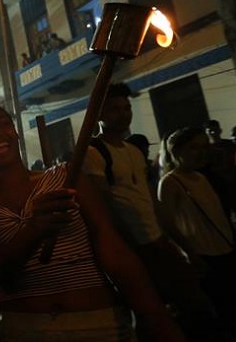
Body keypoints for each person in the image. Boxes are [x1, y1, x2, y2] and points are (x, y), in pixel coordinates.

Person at [0, 102, 185, 342]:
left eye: (3, 124)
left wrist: (153, 315)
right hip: (24, 329)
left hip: (98, 323)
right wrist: (33, 229)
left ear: (15, 132)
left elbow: (112, 248)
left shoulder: (66, 176)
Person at [82, 82, 220, 341]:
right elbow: (105, 209)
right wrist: (130, 252)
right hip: (135, 250)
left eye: (126, 107)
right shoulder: (93, 153)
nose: (123, 113)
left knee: (194, 307)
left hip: (158, 243)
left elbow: (150, 203)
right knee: (155, 316)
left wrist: (182, 246)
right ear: (98, 114)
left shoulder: (133, 151)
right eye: (114, 109)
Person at [157, 126, 236, 341]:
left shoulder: (201, 177)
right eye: (194, 148)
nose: (202, 152)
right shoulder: (171, 181)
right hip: (204, 255)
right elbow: (166, 222)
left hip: (225, 249)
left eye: (204, 147)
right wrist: (189, 252)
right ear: (176, 151)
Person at [201, 120, 236, 233]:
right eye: (210, 130)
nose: (213, 133)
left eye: (215, 130)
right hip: (219, 186)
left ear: (220, 130)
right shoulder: (205, 149)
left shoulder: (229, 145)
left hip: (233, 183)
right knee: (225, 214)